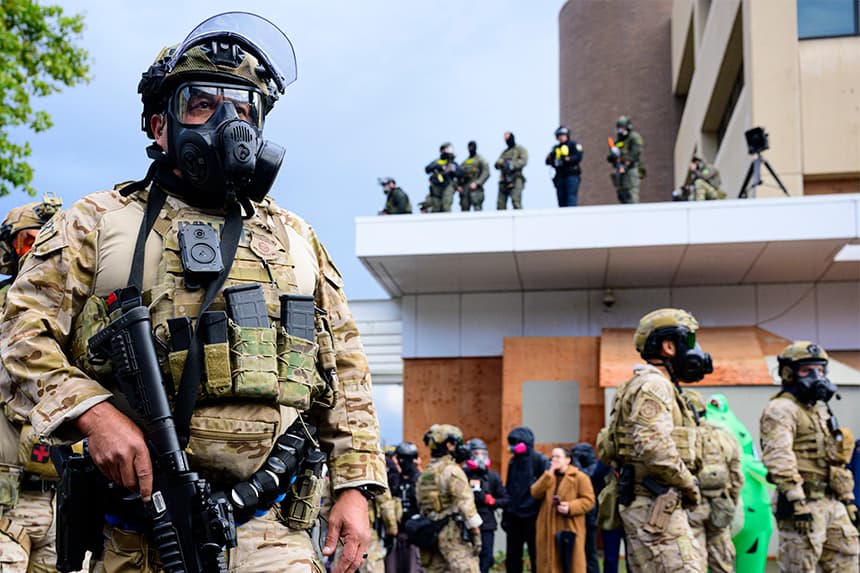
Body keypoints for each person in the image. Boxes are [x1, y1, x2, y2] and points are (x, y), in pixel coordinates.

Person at [0, 13, 387, 573]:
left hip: (270, 529)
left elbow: (346, 369)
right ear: (161, 125)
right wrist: (94, 414)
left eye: (244, 106)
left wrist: (355, 486)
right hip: (137, 531)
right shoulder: (97, 223)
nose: (229, 120)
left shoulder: (298, 238)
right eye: (202, 104)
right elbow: (18, 340)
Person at [598, 308, 712, 573]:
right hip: (656, 506)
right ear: (669, 346)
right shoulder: (655, 385)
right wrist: (688, 483)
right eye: (690, 342)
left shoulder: (642, 384)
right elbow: (654, 446)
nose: (695, 351)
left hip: (649, 505)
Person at [0, 195, 65, 573]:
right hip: (7, 500)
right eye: (29, 242)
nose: (39, 252)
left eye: (47, 242)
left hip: (60, 502)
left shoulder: (73, 313)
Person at [760, 341, 859, 573]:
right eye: (807, 370)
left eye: (820, 370)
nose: (816, 376)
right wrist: (796, 500)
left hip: (832, 502)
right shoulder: (781, 409)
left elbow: (834, 458)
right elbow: (778, 457)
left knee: (849, 561)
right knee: (800, 567)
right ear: (788, 373)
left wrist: (848, 499)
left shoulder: (820, 409)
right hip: (802, 504)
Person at [684, 390, 743, 573]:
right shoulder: (724, 436)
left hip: (691, 508)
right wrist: (730, 500)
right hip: (720, 504)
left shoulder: (682, 438)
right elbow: (737, 476)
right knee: (722, 563)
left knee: (694, 562)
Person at [416, 424, 482, 573]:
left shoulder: (425, 474)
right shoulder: (452, 471)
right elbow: (467, 507)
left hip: (431, 537)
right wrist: (477, 535)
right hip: (452, 537)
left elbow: (422, 505)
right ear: (450, 445)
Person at [530, 447, 595, 573]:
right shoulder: (549, 476)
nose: (554, 460)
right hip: (547, 528)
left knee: (570, 564)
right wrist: (549, 474)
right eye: (552, 457)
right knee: (548, 564)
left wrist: (571, 507)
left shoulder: (580, 478)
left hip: (569, 527)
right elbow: (535, 493)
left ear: (568, 459)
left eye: (558, 457)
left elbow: (589, 501)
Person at [502, 426, 547, 573]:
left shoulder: (539, 460)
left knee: (536, 555)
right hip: (514, 517)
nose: (514, 446)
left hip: (532, 517)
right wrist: (506, 515)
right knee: (513, 556)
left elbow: (545, 487)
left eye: (517, 442)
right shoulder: (513, 462)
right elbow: (509, 488)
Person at [463, 438, 508, 573]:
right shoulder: (462, 475)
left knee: (486, 558)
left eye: (483, 454)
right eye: (476, 454)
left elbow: (506, 499)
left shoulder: (493, 477)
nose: (481, 458)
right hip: (466, 524)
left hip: (486, 524)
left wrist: (493, 501)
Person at [386, 441, 422, 573]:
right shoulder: (395, 480)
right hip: (396, 535)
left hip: (414, 537)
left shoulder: (420, 480)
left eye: (402, 459)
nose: (399, 462)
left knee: (413, 568)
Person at [571, 442, 600, 573]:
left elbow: (584, 477)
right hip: (578, 515)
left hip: (591, 516)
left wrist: (576, 461)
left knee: (590, 551)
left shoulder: (594, 467)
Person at [606, 116, 644, 204]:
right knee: (622, 195)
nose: (620, 131)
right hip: (620, 171)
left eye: (622, 128)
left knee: (631, 196)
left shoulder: (634, 137)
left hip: (630, 170)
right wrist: (612, 156)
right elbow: (611, 156)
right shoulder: (619, 141)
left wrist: (626, 161)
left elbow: (635, 153)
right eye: (618, 129)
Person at [545, 126, 583, 207]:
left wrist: (567, 159)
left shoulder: (573, 145)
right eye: (559, 136)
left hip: (571, 175)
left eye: (563, 135)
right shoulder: (556, 148)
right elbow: (548, 161)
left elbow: (578, 157)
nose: (561, 138)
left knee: (571, 198)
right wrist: (553, 159)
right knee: (561, 199)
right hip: (560, 176)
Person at [424, 143, 462, 213]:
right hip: (436, 187)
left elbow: (460, 173)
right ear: (441, 150)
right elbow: (427, 169)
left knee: (446, 206)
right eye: (445, 149)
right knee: (436, 207)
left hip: (448, 186)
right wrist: (440, 166)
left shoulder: (453, 163)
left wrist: (453, 170)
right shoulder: (436, 161)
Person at [494, 132, 528, 209]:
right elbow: (497, 164)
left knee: (516, 201)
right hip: (504, 180)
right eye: (505, 139)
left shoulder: (520, 149)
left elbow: (524, 161)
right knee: (500, 204)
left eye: (508, 138)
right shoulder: (504, 152)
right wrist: (500, 163)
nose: (507, 140)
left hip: (516, 179)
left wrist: (511, 164)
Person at [458, 141, 490, 212]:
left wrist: (478, 183)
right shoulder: (465, 162)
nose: (471, 149)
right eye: (469, 147)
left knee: (477, 208)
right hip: (465, 187)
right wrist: (458, 185)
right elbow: (459, 174)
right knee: (464, 207)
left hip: (475, 187)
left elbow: (486, 172)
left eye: (472, 147)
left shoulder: (480, 159)